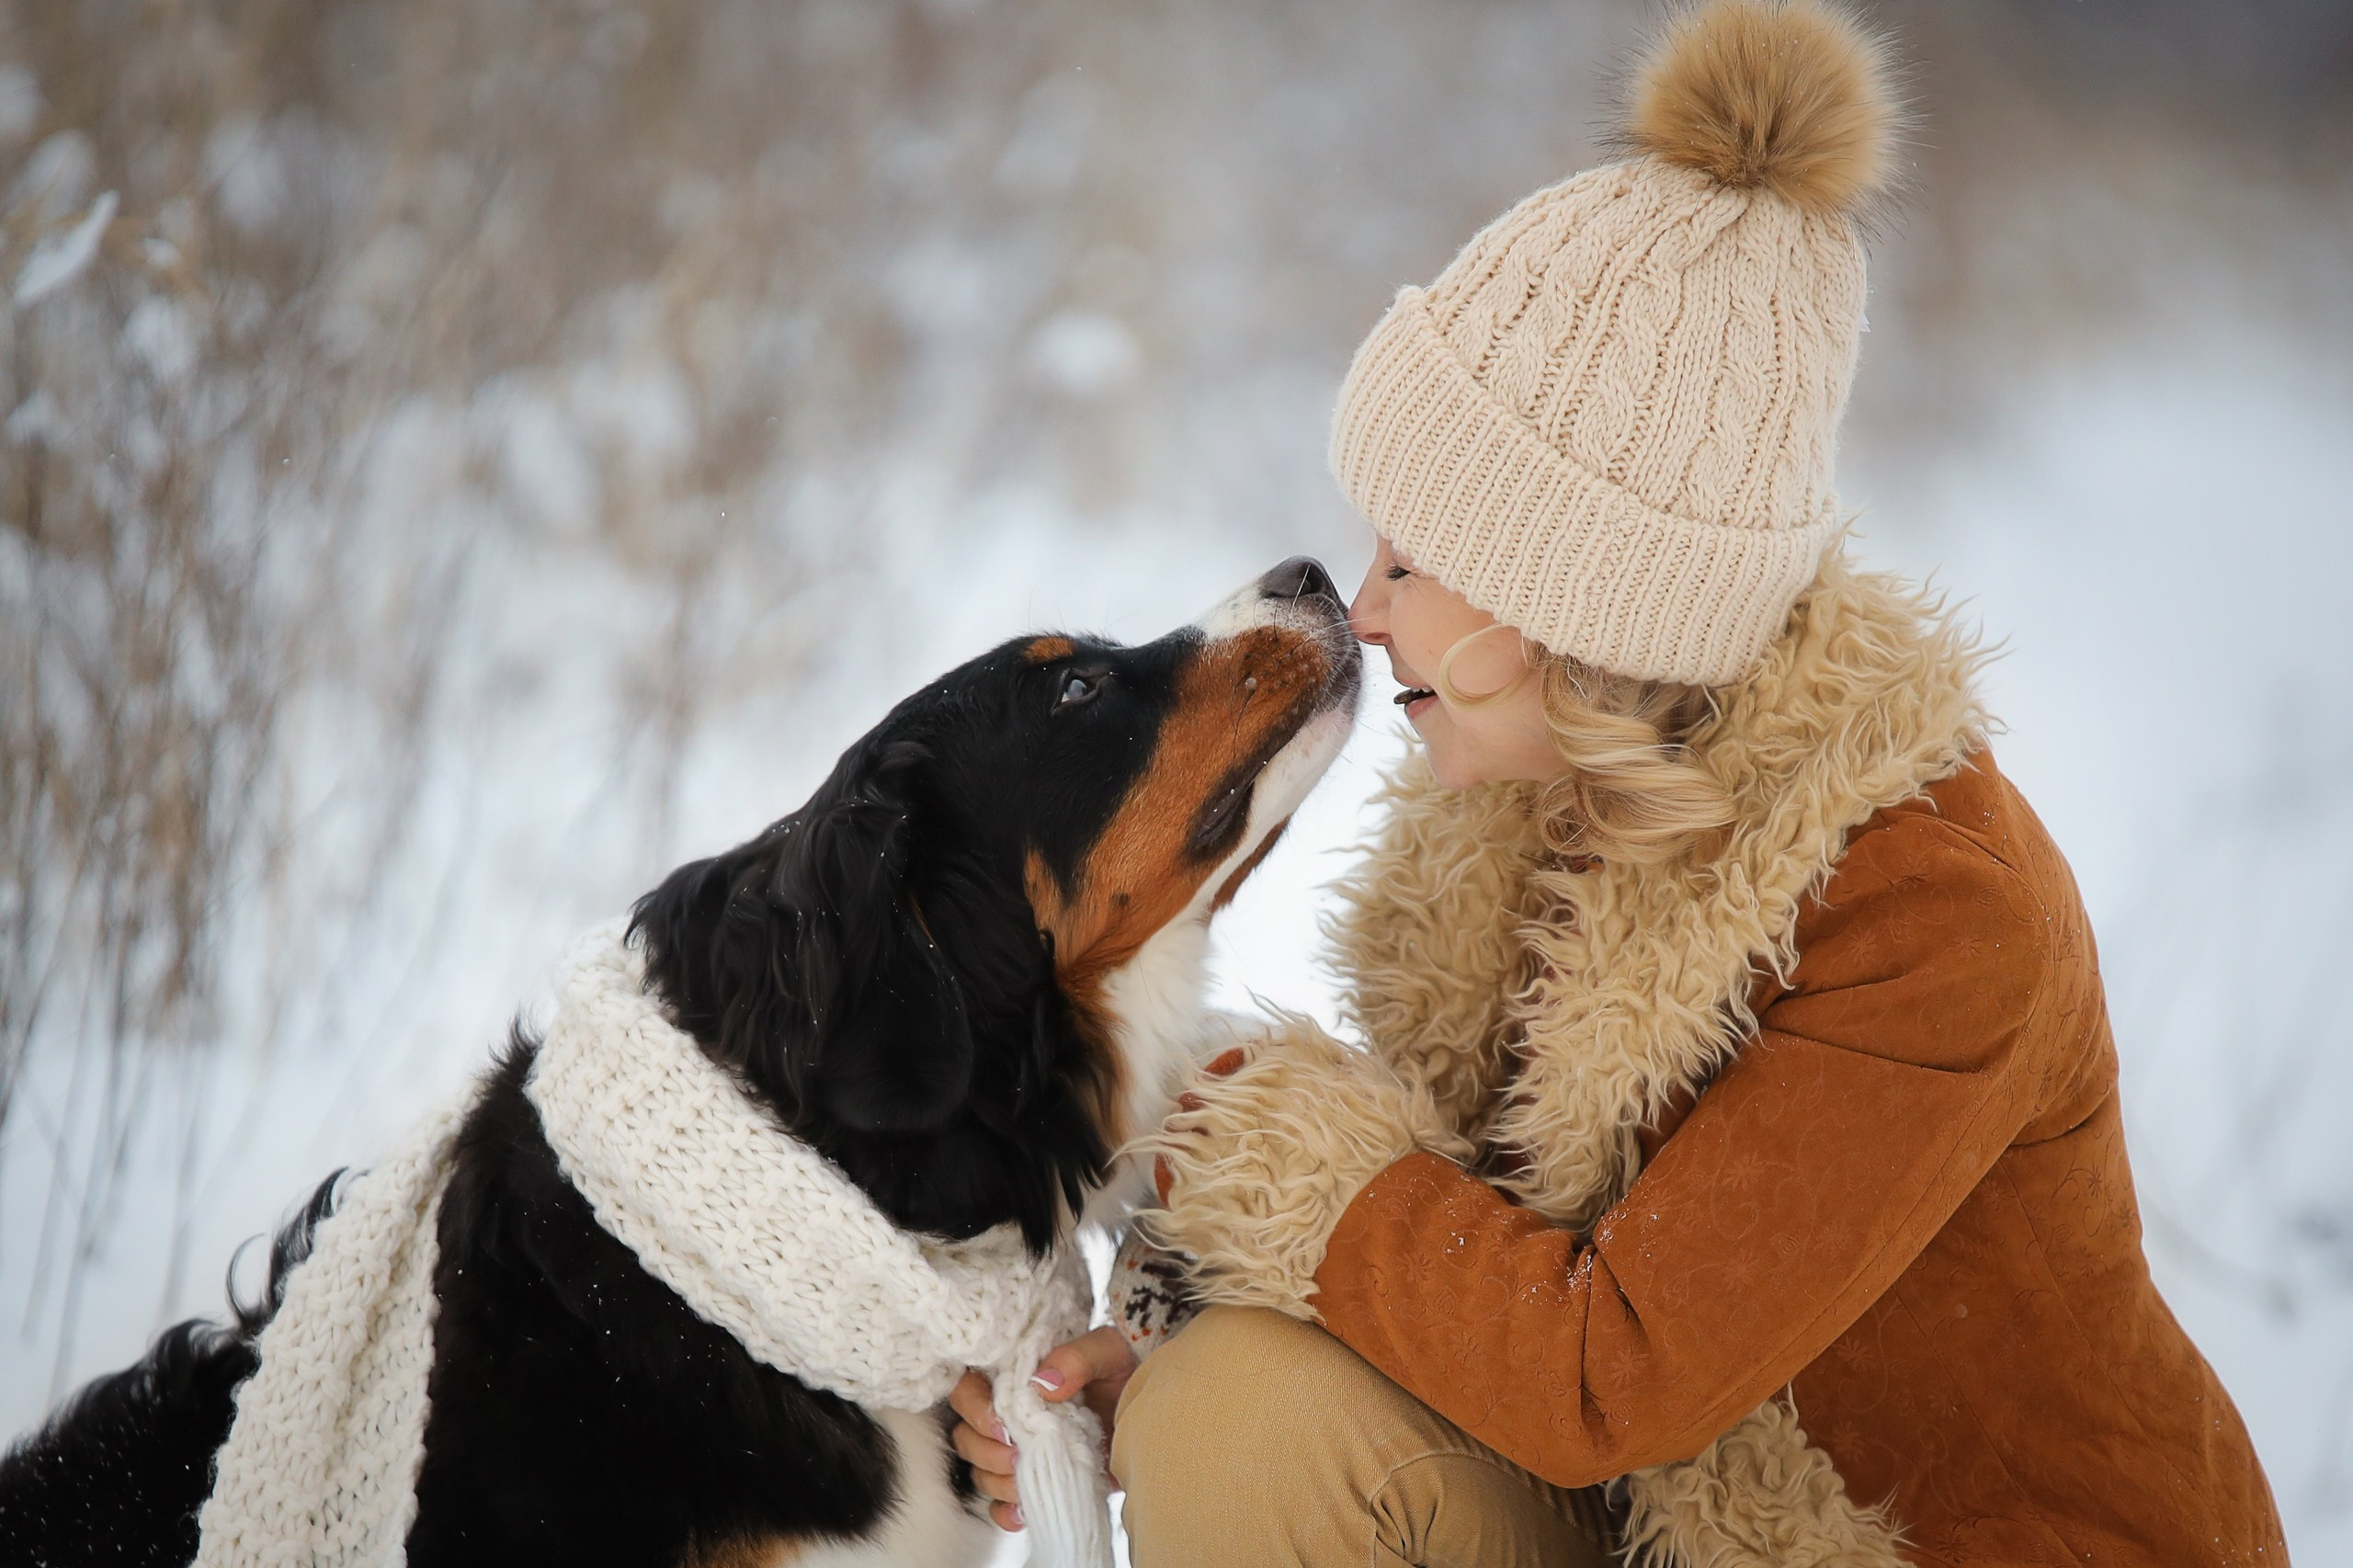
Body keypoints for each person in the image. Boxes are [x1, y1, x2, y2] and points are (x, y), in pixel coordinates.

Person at [952, 2, 2287, 1562]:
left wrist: (1288, 1152)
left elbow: (1607, 1369)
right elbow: (1462, 1267)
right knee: (1228, 1409)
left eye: (1413, 560)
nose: (1365, 610)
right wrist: (1144, 1371)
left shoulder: (1932, 909)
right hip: (1650, 1511)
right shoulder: (1528, 806)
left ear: (1568, 606)